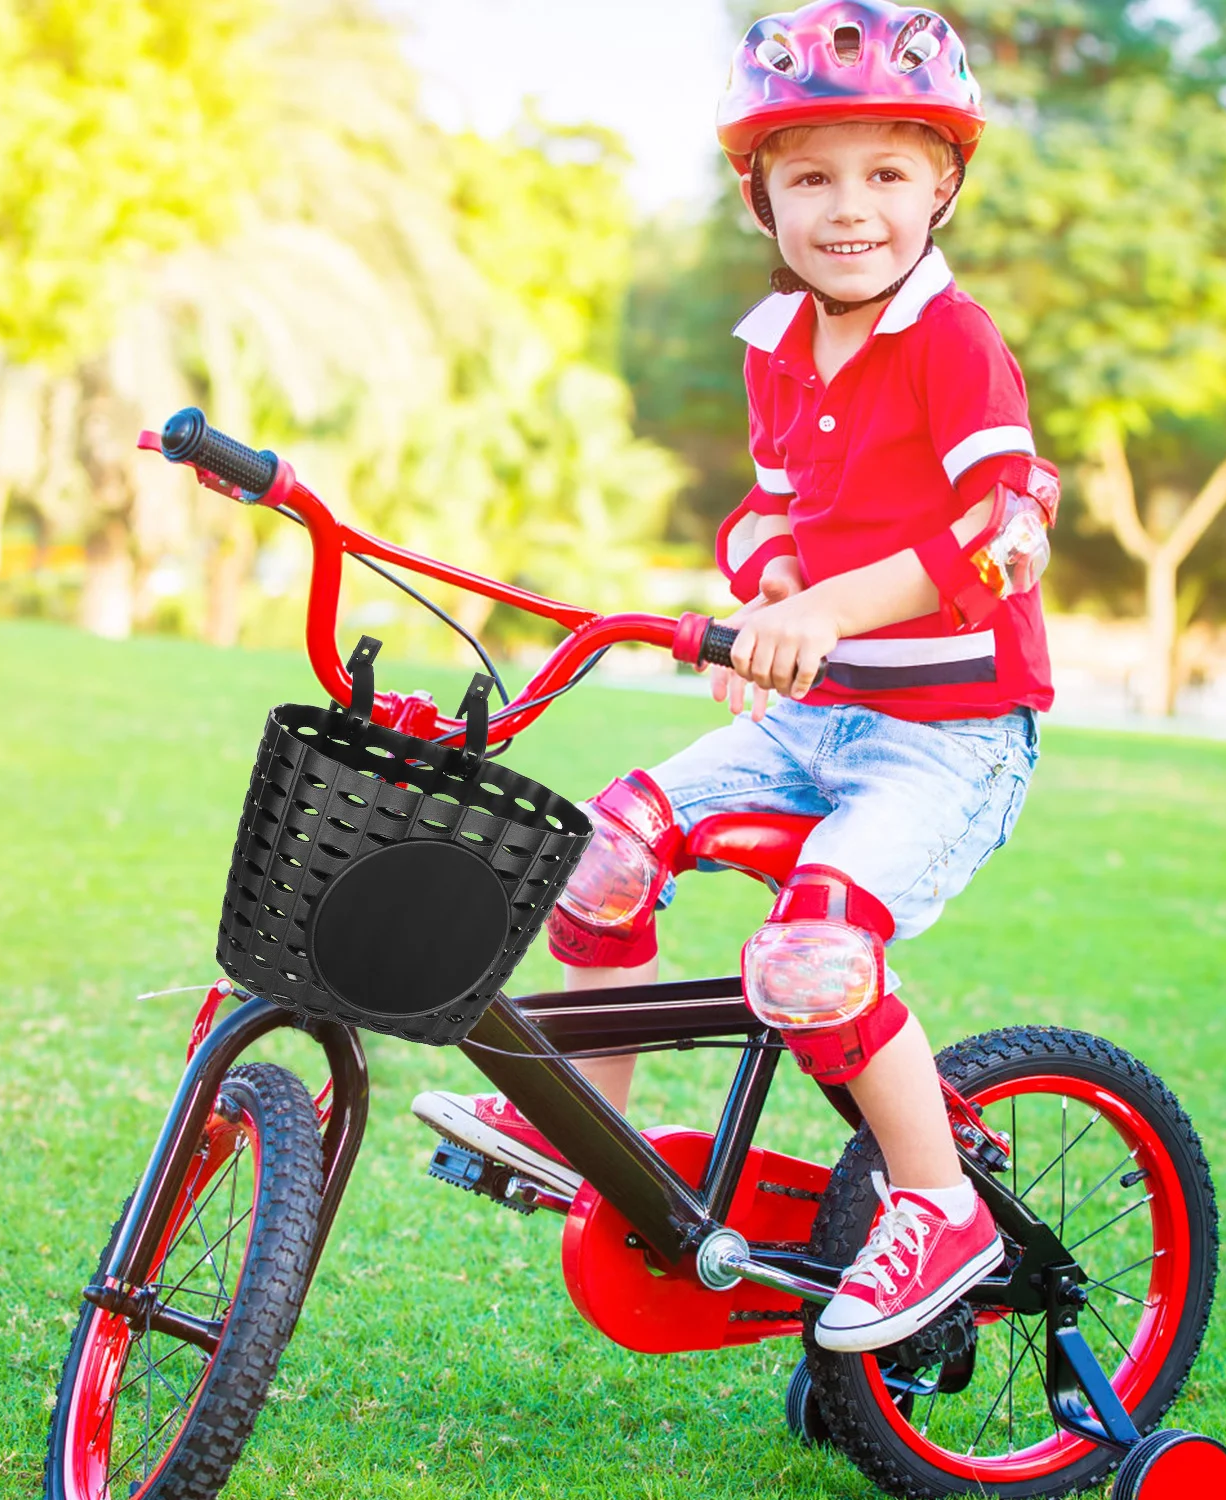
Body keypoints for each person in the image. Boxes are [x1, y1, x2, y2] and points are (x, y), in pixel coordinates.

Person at [413, 0, 1057, 1354]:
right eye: (811, 175)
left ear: (942, 184)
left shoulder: (952, 339)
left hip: (943, 735)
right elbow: (774, 517)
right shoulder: (775, 346)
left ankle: (940, 1206)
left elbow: (1006, 535)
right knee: (601, 851)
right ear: (759, 193)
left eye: (886, 173)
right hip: (818, 715)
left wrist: (824, 608)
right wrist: (771, 595)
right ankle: (591, 1114)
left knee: (814, 957)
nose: (849, 208)